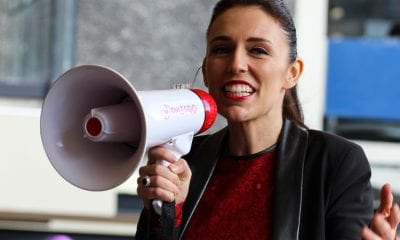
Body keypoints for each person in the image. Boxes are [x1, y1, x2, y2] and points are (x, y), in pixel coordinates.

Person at [135, 0, 400, 239]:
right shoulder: (185, 162)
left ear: (292, 73)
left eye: (258, 50)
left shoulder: (335, 163)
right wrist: (165, 213)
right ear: (206, 71)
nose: (236, 64)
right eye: (222, 49)